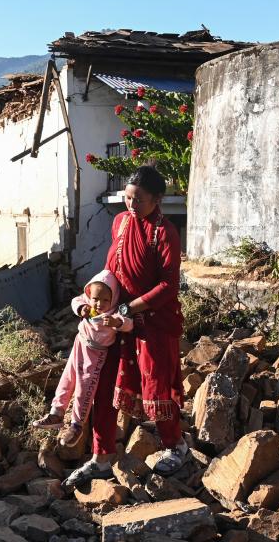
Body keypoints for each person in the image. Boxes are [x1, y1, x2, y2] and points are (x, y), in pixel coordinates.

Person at [64, 166, 187, 487]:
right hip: (116, 322)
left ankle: (176, 446)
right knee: (103, 385)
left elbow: (168, 286)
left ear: (157, 199)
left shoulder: (164, 232)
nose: (131, 205)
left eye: (139, 200)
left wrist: (129, 308)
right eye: (128, 198)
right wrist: (93, 300)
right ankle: (101, 456)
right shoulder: (120, 223)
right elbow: (111, 269)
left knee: (157, 386)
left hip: (152, 322)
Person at [31, 269, 132, 447]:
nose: (99, 304)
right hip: (80, 344)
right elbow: (76, 300)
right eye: (95, 299)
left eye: (105, 300)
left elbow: (129, 324)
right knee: (67, 378)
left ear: (113, 298)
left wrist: (118, 323)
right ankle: (56, 412)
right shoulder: (89, 305)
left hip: (96, 353)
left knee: (85, 387)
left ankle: (77, 425)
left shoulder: (114, 313)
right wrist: (81, 308)